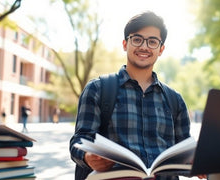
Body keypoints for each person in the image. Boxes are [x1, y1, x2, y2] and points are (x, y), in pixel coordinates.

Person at [69, 11, 206, 180]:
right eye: (137, 39)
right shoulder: (97, 90)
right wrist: (88, 156)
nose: (144, 46)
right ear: (125, 44)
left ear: (161, 49)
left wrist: (199, 163)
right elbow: (79, 141)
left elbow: (183, 156)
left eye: (152, 41)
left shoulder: (174, 100)